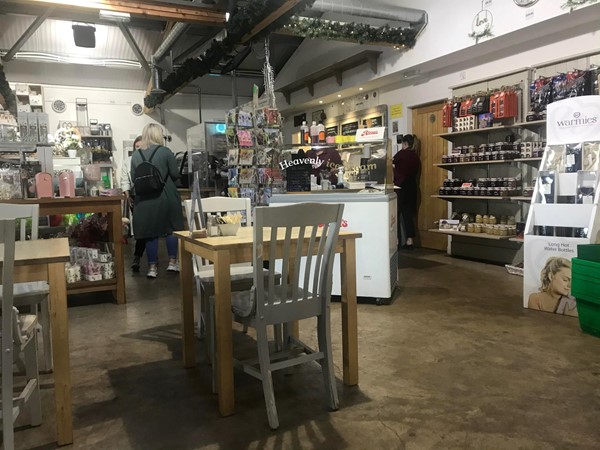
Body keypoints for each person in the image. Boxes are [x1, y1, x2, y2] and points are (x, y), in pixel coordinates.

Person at [130, 124, 184, 278]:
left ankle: (152, 267)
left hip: (144, 199)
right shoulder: (166, 152)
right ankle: (172, 263)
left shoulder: (135, 155)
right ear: (157, 135)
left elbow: (134, 178)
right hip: (166, 195)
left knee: (150, 232)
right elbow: (174, 174)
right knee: (171, 229)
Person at [121, 136, 146, 272]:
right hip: (135, 197)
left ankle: (145, 257)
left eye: (142, 147)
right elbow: (124, 179)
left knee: (149, 229)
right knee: (140, 228)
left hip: (150, 197)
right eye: (137, 147)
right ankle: (137, 256)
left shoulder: (150, 160)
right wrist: (127, 194)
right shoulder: (128, 161)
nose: (139, 150)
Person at [393, 134, 420, 249]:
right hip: (412, 187)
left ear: (405, 144)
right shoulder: (415, 156)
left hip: (400, 187)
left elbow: (390, 162)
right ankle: (410, 240)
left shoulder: (402, 154)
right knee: (408, 214)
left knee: (397, 213)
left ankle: (397, 240)